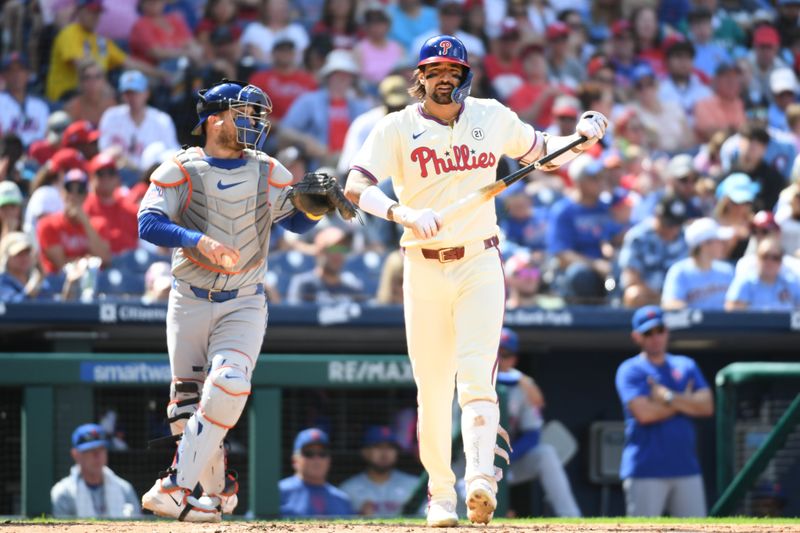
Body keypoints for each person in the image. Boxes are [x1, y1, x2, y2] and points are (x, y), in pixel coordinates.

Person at [343, 34, 607, 526]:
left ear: (465, 77)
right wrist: (401, 212)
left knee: (477, 375)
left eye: (454, 71)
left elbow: (544, 153)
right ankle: (440, 495)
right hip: (422, 262)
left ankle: (480, 479)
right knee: (432, 388)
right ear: (419, 78)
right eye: (435, 70)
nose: (445, 78)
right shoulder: (395, 128)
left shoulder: (491, 115)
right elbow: (355, 186)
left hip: (479, 260)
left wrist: (582, 137)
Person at [138, 79, 342, 522]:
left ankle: (174, 486)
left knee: (229, 382)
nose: (254, 124)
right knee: (184, 408)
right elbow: (147, 223)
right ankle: (218, 491)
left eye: (256, 116)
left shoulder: (267, 168)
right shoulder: (182, 167)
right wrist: (197, 240)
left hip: (244, 299)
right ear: (214, 119)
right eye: (244, 115)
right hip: (187, 297)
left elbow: (295, 226)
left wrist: (315, 206)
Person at [615, 305, 714, 517]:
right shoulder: (630, 369)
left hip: (686, 467)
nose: (655, 337)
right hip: (646, 469)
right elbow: (645, 414)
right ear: (637, 337)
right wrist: (686, 402)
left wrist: (667, 398)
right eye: (648, 333)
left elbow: (706, 406)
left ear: (667, 331)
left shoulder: (686, 364)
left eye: (659, 330)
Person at [496, 328, 581, 517]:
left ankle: (572, 519)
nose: (500, 359)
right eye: (496, 353)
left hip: (507, 462)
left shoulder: (523, 386)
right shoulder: (470, 382)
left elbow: (532, 435)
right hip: (468, 467)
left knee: (546, 454)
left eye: (506, 354)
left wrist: (504, 460)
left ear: (514, 359)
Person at [50, 423, 140, 518]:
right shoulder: (63, 493)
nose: (97, 455)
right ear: (75, 455)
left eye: (101, 449)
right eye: (90, 450)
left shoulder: (125, 489)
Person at [98, 70, 180, 171]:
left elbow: (174, 154)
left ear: (146, 93)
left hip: (151, 178)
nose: (132, 97)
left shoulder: (162, 120)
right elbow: (103, 152)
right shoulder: (111, 116)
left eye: (136, 92)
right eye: (128, 93)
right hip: (118, 175)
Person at [339, 425, 419, 517]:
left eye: (390, 447)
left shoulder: (414, 485)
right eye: (378, 446)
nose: (384, 453)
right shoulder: (348, 490)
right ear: (365, 452)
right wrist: (360, 517)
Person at [661, 217, 734, 310]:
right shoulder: (679, 271)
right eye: (718, 241)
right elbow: (669, 304)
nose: (722, 245)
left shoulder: (727, 270)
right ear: (704, 244)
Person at [279, 428, 354, 517]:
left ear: (329, 460)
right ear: (294, 460)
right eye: (308, 453)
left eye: (322, 453)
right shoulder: (278, 493)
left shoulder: (341, 500)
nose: (316, 459)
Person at [725, 236, 800, 311]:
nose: (769, 262)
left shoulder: (791, 283)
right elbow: (734, 316)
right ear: (757, 258)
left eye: (775, 258)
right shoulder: (744, 282)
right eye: (765, 256)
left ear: (781, 261)